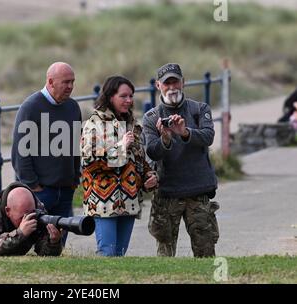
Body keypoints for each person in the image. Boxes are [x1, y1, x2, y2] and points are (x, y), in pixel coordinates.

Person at [142, 63, 219, 258]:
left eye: (175, 81)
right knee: (165, 255)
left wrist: (184, 133)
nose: (172, 87)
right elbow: (152, 152)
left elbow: (208, 136)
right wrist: (166, 139)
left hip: (198, 191)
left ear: (183, 83)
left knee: (206, 253)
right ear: (158, 85)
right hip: (167, 194)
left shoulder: (199, 109)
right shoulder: (151, 118)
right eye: (167, 83)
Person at [81, 75, 158, 256]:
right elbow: (90, 163)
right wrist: (121, 147)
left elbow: (139, 160)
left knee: (120, 255)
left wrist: (149, 176)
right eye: (123, 96)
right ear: (110, 97)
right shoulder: (94, 124)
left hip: (129, 201)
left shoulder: (133, 125)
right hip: (103, 203)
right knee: (107, 253)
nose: (129, 100)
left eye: (131, 96)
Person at [11, 62, 82, 247]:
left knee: (57, 244)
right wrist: (32, 185)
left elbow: (75, 145)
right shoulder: (31, 107)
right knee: (33, 243)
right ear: (50, 82)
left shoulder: (73, 107)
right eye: (65, 82)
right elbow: (20, 153)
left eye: (72, 82)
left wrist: (75, 178)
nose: (70, 87)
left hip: (65, 190)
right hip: (41, 191)